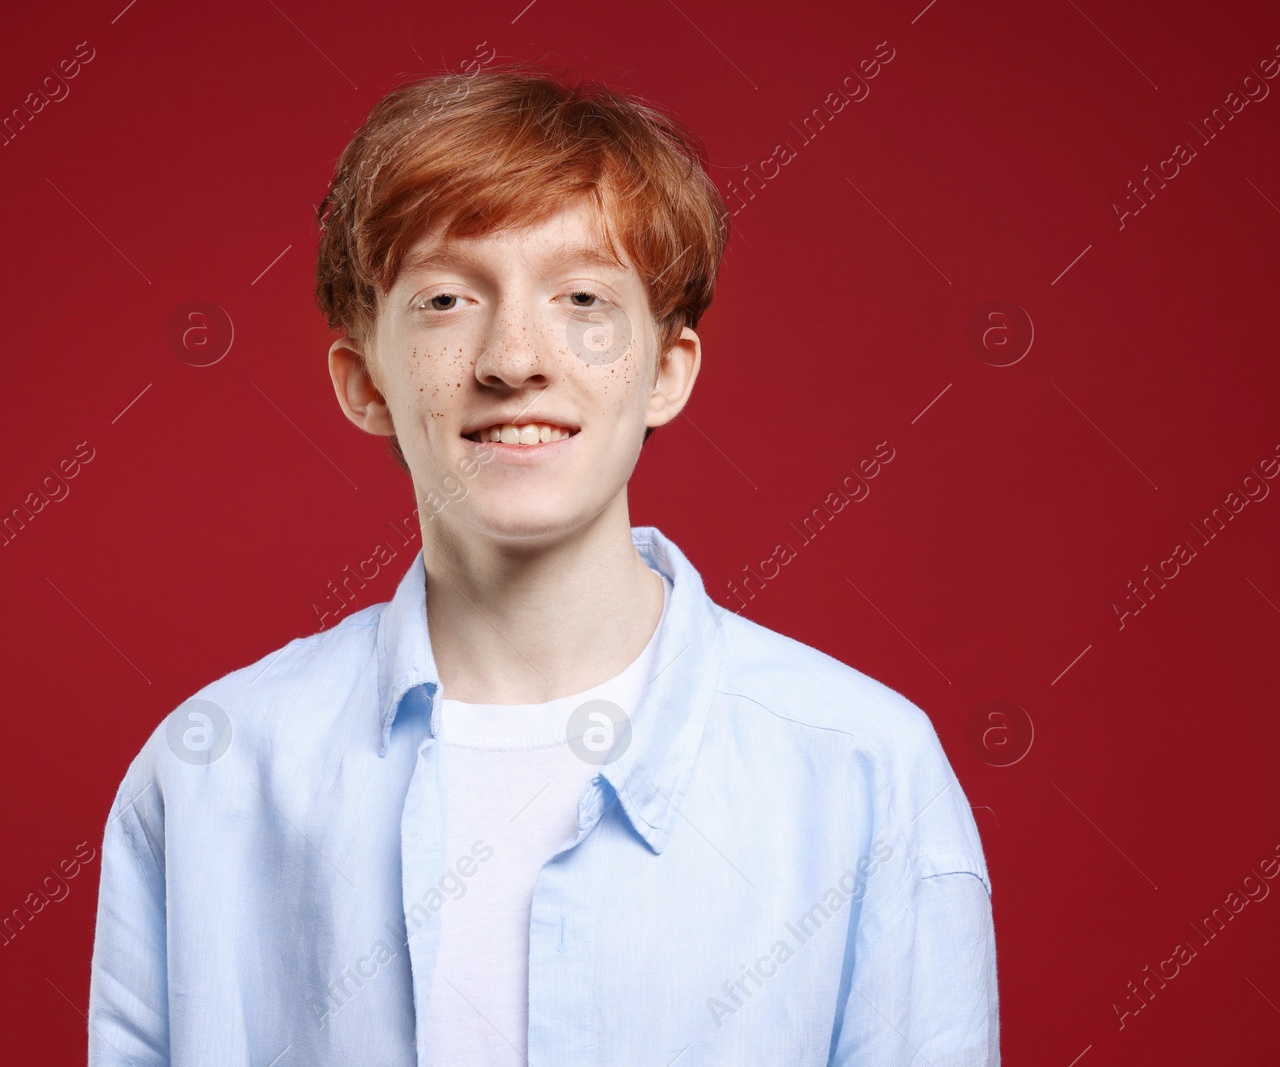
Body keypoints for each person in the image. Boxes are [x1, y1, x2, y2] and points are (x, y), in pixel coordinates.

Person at [87, 64, 998, 1066]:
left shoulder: (863, 767)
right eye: (444, 297)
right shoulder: (214, 768)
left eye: (582, 298)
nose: (514, 356)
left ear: (665, 371)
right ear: (363, 383)